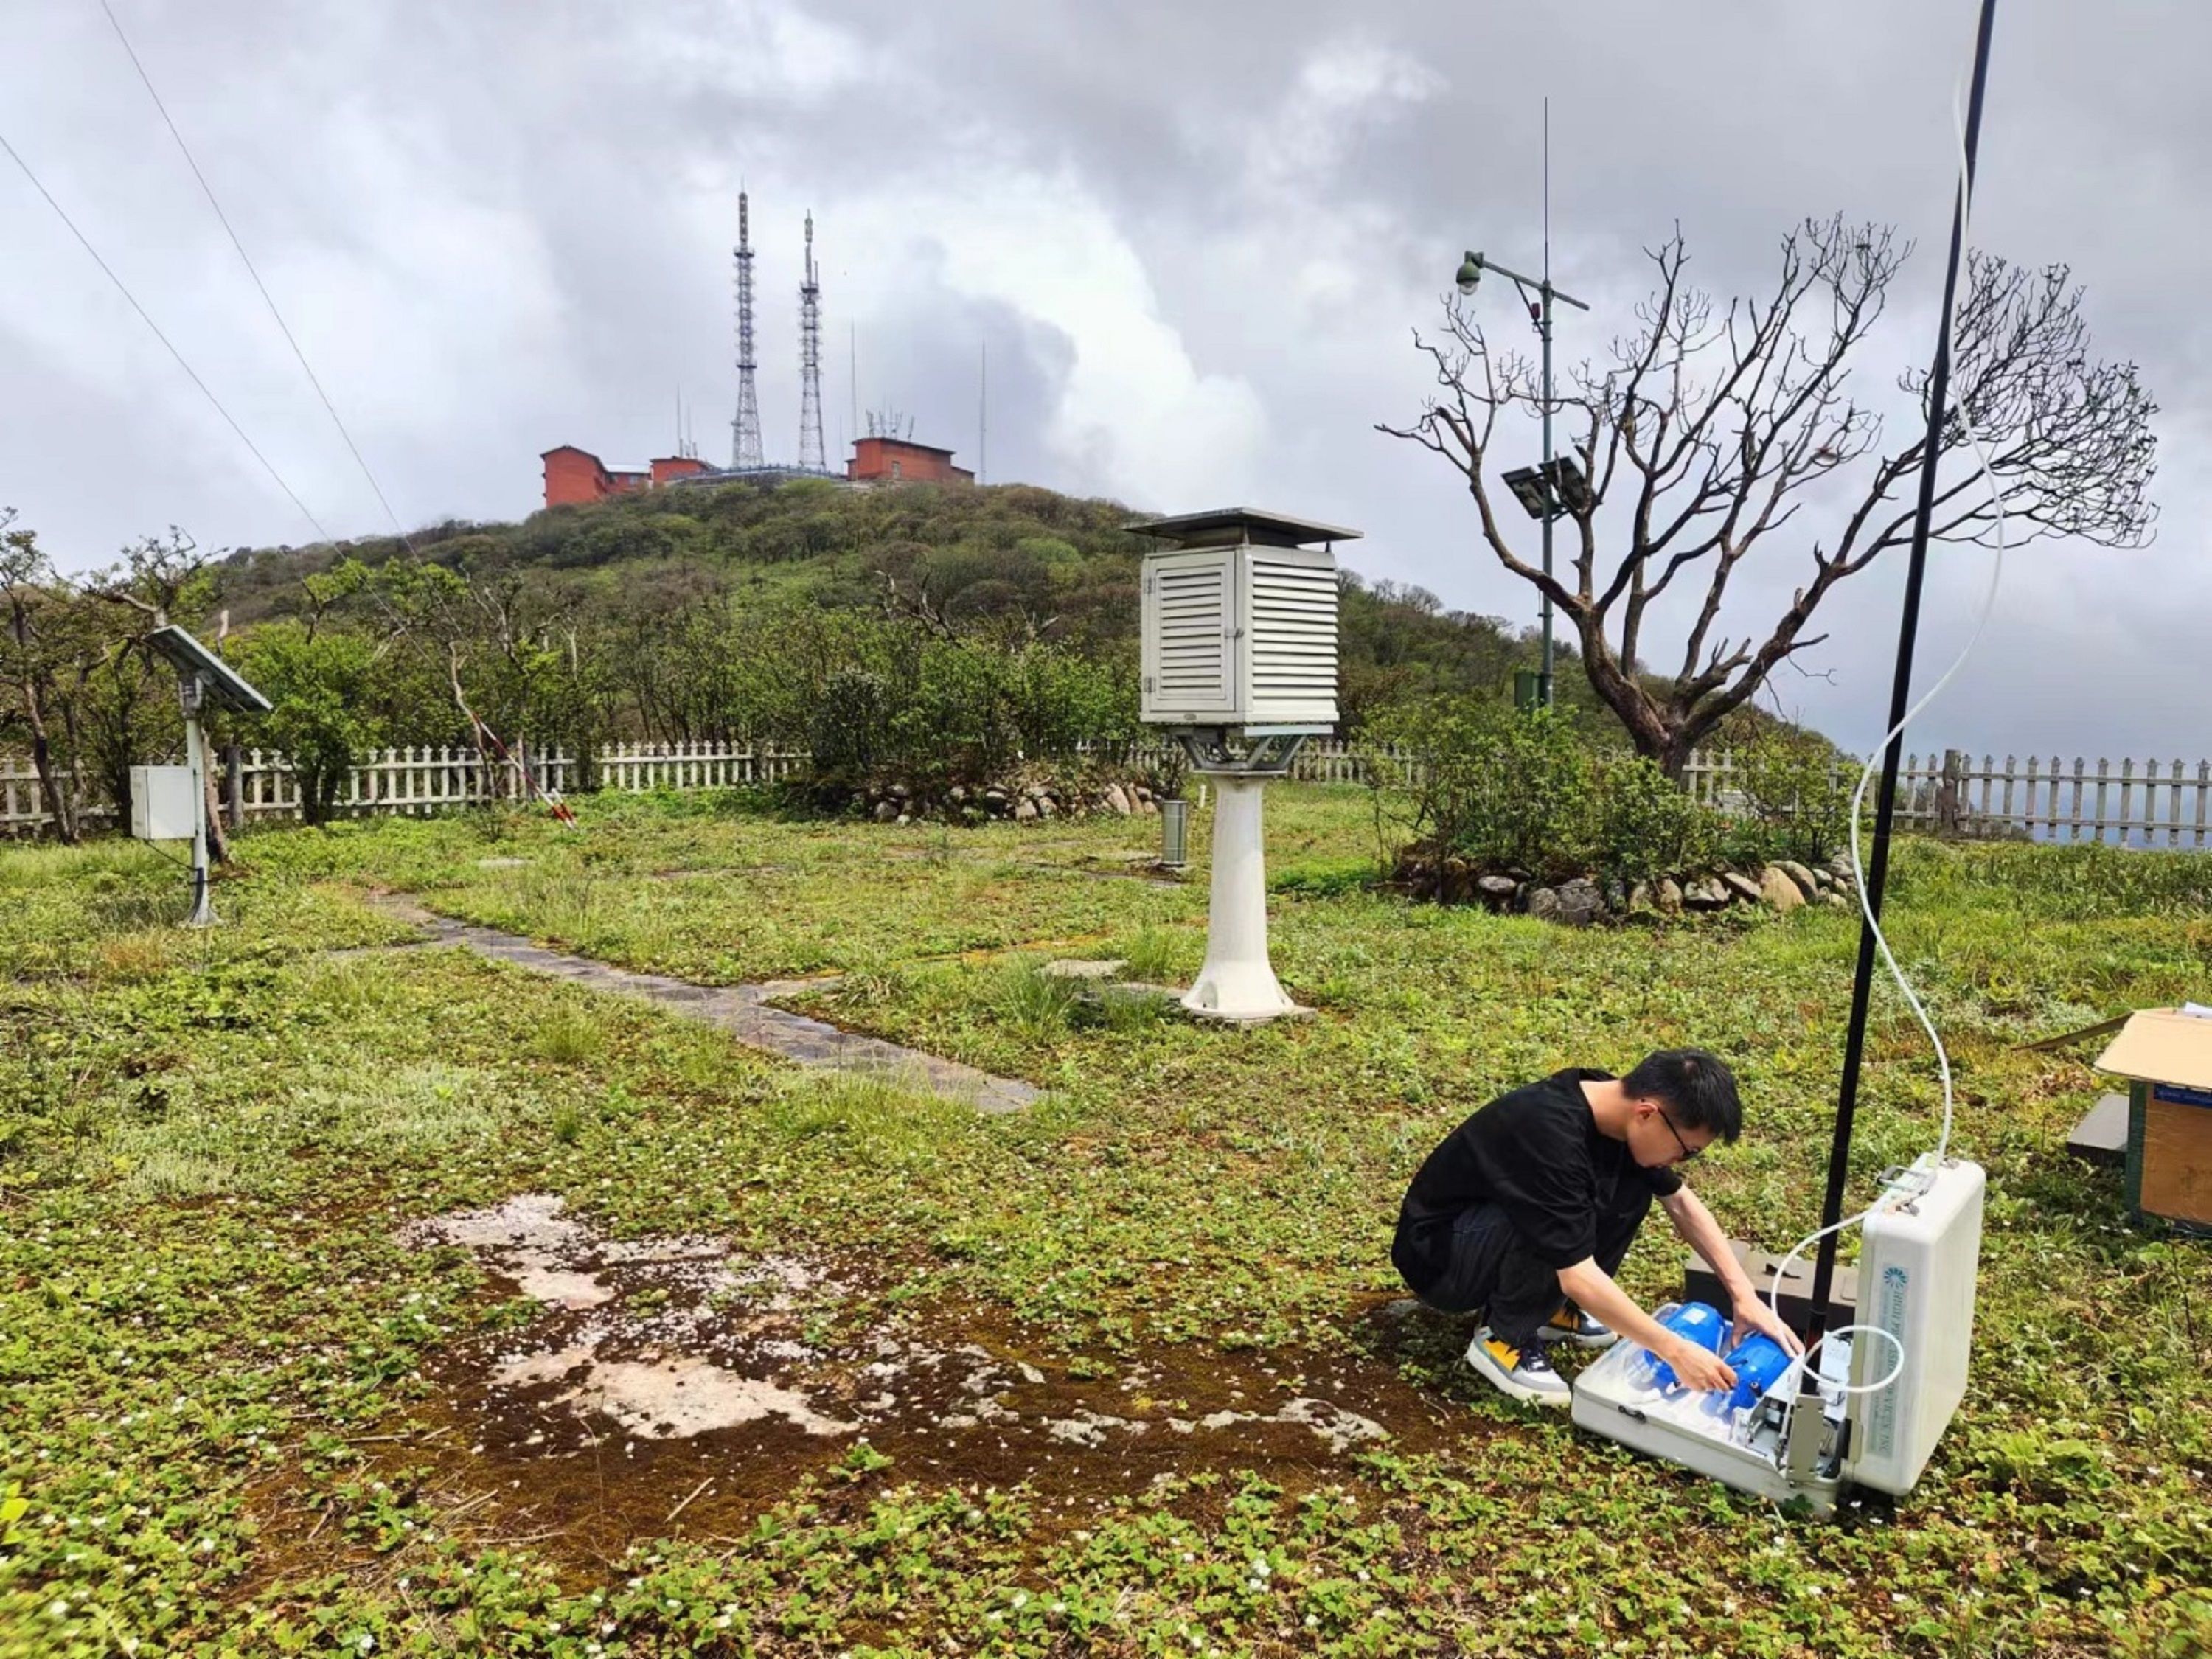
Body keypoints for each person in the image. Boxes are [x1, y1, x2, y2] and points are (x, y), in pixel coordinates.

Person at [1391, 1049, 1804, 1406]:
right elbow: (1577, 1275)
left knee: (1631, 1188)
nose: (1681, 1163)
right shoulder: (1549, 1133)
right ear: (1648, 1113)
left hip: (1487, 1229)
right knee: (1563, 1213)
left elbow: (1680, 1202)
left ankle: (1547, 1311)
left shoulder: (1614, 1109)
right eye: (1688, 1152)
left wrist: (1743, 1295)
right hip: (1442, 1257)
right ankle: (1503, 1335)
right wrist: (1674, 1351)